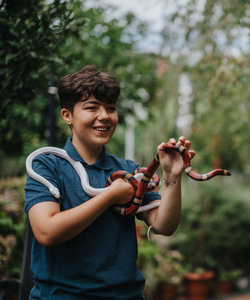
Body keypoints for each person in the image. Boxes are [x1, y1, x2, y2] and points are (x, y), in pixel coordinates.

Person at [24, 65, 195, 299]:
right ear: (67, 116)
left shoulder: (129, 170)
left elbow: (164, 225)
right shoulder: (46, 165)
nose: (104, 116)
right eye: (91, 107)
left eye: (111, 108)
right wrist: (110, 197)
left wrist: (172, 175)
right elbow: (47, 232)